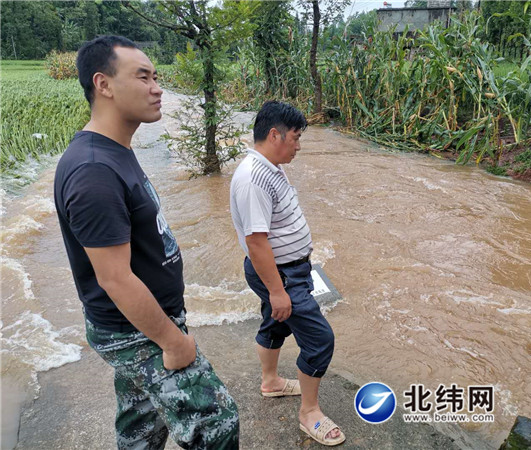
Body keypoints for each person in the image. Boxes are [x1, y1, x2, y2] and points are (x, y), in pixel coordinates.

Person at [54, 35, 239, 449]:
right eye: (143, 77)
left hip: (142, 322)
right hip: (135, 330)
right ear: (103, 84)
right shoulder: (94, 171)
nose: (157, 88)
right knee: (216, 422)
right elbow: (115, 279)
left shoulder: (113, 150)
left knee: (142, 424)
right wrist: (174, 342)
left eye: (156, 76)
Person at [229, 101, 345, 446]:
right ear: (274, 134)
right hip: (280, 274)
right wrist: (278, 291)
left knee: (275, 322)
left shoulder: (270, 166)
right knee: (320, 339)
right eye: (295, 138)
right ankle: (309, 413)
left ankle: (271, 382)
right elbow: (256, 240)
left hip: (288, 270)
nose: (298, 145)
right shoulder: (253, 178)